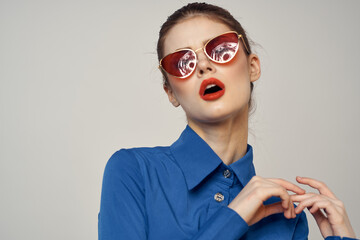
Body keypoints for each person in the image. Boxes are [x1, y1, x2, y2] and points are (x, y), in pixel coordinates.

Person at [98, 2, 356, 239]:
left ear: (253, 66)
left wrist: (343, 237)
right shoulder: (134, 172)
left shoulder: (286, 215)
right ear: (171, 92)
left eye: (221, 49)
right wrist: (236, 216)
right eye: (182, 62)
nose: (203, 66)